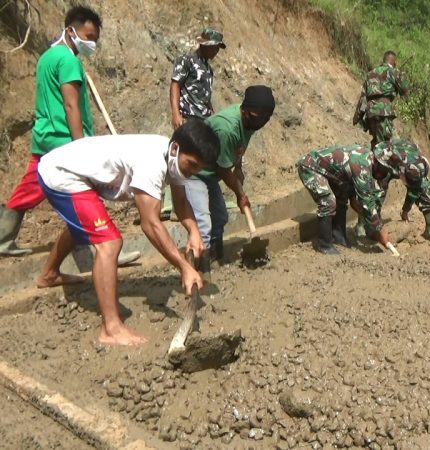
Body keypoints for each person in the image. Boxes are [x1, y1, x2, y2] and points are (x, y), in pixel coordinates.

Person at [36, 121, 220, 346]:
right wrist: (184, 267)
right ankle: (110, 329)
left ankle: (49, 275)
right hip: (63, 174)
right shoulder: (152, 162)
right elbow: (150, 224)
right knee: (110, 242)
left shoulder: (175, 158)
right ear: (175, 149)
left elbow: (180, 203)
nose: (190, 173)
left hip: (77, 172)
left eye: (196, 169)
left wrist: (194, 231)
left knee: (87, 224)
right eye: (190, 165)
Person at [0, 6, 100, 256]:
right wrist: (80, 145)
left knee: (30, 188)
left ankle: (3, 238)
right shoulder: (68, 61)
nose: (92, 44)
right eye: (89, 37)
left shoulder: (47, 57)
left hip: (45, 136)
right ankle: (105, 247)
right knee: (86, 190)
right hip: (64, 140)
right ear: (71, 30)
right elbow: (70, 104)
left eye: (95, 39)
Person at [184, 85, 275, 271]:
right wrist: (240, 195)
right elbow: (225, 172)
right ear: (246, 111)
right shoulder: (227, 128)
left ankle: (215, 256)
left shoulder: (250, 122)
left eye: (267, 118)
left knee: (220, 217)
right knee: (203, 223)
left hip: (210, 173)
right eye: (261, 118)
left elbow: (238, 148)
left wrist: (239, 166)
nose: (264, 122)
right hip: (194, 172)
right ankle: (200, 269)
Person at [296, 143, 403, 256]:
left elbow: (355, 199)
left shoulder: (368, 161)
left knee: (342, 197)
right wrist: (380, 230)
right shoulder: (362, 166)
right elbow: (367, 205)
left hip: (332, 174)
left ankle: (339, 236)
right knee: (328, 202)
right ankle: (325, 245)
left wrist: (358, 205)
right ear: (378, 163)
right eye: (384, 170)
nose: (384, 174)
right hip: (310, 167)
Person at [164, 28, 225, 219]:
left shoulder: (208, 69)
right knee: (180, 160)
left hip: (204, 120)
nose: (216, 52)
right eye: (214, 47)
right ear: (204, 45)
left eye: (217, 49)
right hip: (188, 118)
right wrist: (175, 113)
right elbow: (175, 85)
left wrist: (213, 115)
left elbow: (206, 97)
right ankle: (174, 205)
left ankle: (195, 202)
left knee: (199, 165)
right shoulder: (186, 60)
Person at [355, 50, 411, 148]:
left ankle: (374, 162)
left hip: (371, 113)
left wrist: (357, 117)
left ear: (383, 60)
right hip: (384, 112)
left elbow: (363, 98)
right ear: (395, 62)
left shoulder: (371, 73)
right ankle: (381, 162)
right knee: (384, 145)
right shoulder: (394, 72)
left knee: (376, 142)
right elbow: (405, 91)